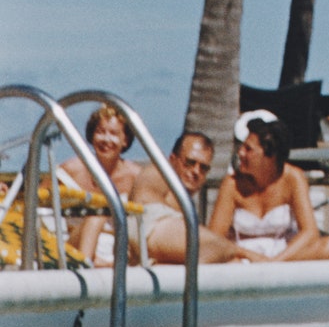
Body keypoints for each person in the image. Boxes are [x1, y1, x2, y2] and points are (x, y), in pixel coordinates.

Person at [208, 114, 329, 262]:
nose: (240, 153)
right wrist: (248, 255)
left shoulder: (293, 177)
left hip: (282, 253)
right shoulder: (232, 183)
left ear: (269, 156)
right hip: (242, 254)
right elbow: (215, 237)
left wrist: (275, 262)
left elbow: (310, 232)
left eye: (248, 149)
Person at [129, 130, 245, 265]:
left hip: (155, 253)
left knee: (231, 259)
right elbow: (143, 199)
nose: (196, 171)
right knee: (222, 249)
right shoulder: (159, 172)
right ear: (173, 159)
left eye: (203, 168)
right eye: (190, 162)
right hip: (145, 233)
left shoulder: (185, 204)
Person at [62, 103, 137, 266]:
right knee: (97, 215)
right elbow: (34, 195)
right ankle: (85, 275)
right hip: (75, 250)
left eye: (114, 133)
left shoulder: (135, 177)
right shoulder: (72, 170)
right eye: (100, 132)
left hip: (120, 258)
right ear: (92, 135)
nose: (106, 139)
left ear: (125, 140)